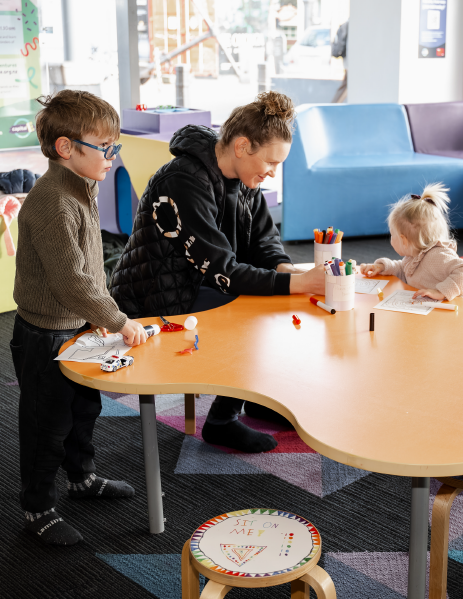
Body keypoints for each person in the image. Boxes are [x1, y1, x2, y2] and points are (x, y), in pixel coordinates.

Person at [109, 91, 325, 454]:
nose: (273, 172)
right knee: (256, 309)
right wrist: (297, 281)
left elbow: (265, 241)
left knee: (281, 299)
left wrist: (287, 269)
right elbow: (223, 270)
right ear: (242, 146)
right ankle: (222, 420)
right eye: (271, 162)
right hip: (155, 296)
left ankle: (255, 396)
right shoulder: (181, 181)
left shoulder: (244, 179)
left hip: (196, 284)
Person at [11, 90, 151, 546]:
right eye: (105, 147)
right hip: (46, 334)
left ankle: (82, 479)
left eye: (116, 146)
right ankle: (37, 507)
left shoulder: (80, 186)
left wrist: (98, 318)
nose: (112, 156)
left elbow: (88, 271)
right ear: (65, 148)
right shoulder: (53, 200)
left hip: (78, 325)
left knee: (83, 409)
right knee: (46, 425)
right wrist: (118, 320)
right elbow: (72, 281)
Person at [359, 183, 463, 301]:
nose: (391, 239)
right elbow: (404, 270)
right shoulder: (414, 256)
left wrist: (441, 292)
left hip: (450, 311)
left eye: (392, 235)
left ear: (403, 240)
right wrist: (382, 267)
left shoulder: (436, 257)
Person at [331, 21, 348, 103]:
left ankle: (332, 108)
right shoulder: (348, 25)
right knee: (345, 87)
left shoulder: (346, 25)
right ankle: (331, 109)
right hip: (350, 64)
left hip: (348, 63)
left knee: (346, 86)